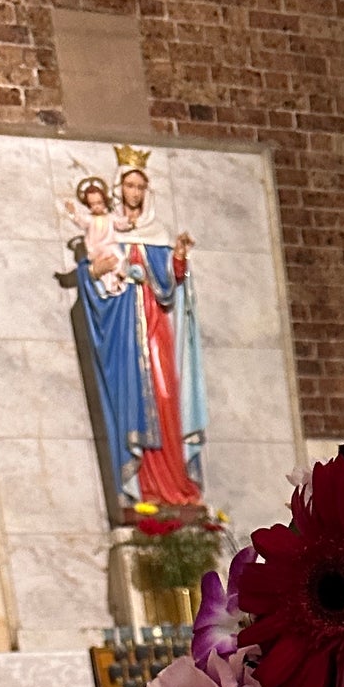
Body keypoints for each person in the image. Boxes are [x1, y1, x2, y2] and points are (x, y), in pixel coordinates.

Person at [65, 146, 207, 512]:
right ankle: (143, 490)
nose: (135, 192)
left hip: (157, 329)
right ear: (119, 188)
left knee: (165, 400)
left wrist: (177, 255)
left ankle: (175, 484)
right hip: (124, 332)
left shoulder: (154, 233)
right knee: (134, 404)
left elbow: (171, 281)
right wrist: (94, 272)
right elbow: (91, 275)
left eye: (141, 185)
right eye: (129, 184)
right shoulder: (107, 230)